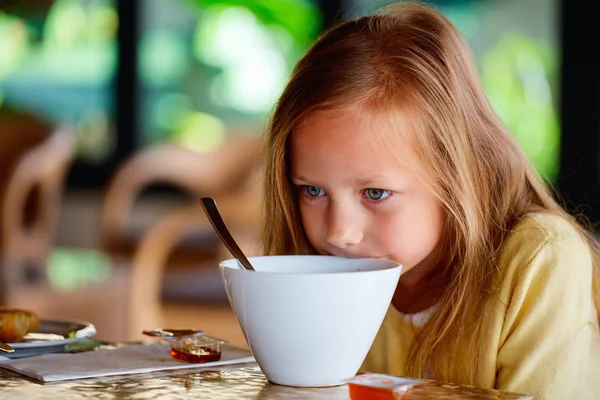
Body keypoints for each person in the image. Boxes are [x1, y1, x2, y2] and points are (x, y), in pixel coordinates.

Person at [261, 2, 600, 399]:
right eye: (313, 190)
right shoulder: (326, 277)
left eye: (375, 193)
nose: (339, 233)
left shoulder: (541, 258)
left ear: (458, 175)